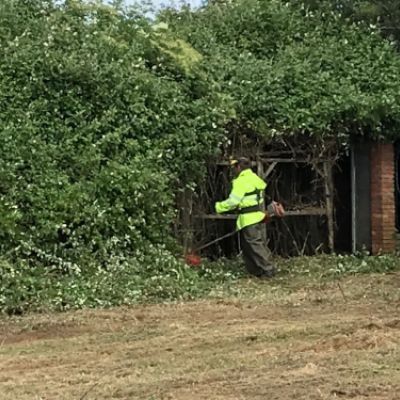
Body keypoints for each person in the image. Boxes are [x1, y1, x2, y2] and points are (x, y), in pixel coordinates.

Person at [215, 157, 276, 278]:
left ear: (239, 167)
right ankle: (255, 270)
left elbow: (233, 201)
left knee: (254, 244)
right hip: (256, 215)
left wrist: (218, 207)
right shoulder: (254, 178)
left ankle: (268, 269)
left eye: (234, 167)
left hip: (248, 217)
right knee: (248, 245)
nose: (233, 170)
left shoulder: (241, 181)